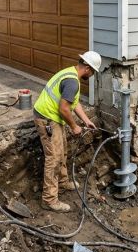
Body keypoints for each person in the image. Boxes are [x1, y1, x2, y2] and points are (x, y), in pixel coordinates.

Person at [33, 51, 101, 212]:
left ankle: (62, 182)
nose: (91, 76)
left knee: (62, 150)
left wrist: (85, 121)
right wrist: (74, 126)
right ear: (88, 68)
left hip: (53, 118)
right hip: (47, 119)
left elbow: (73, 103)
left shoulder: (70, 73)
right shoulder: (72, 82)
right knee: (54, 158)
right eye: (92, 72)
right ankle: (49, 200)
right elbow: (64, 108)